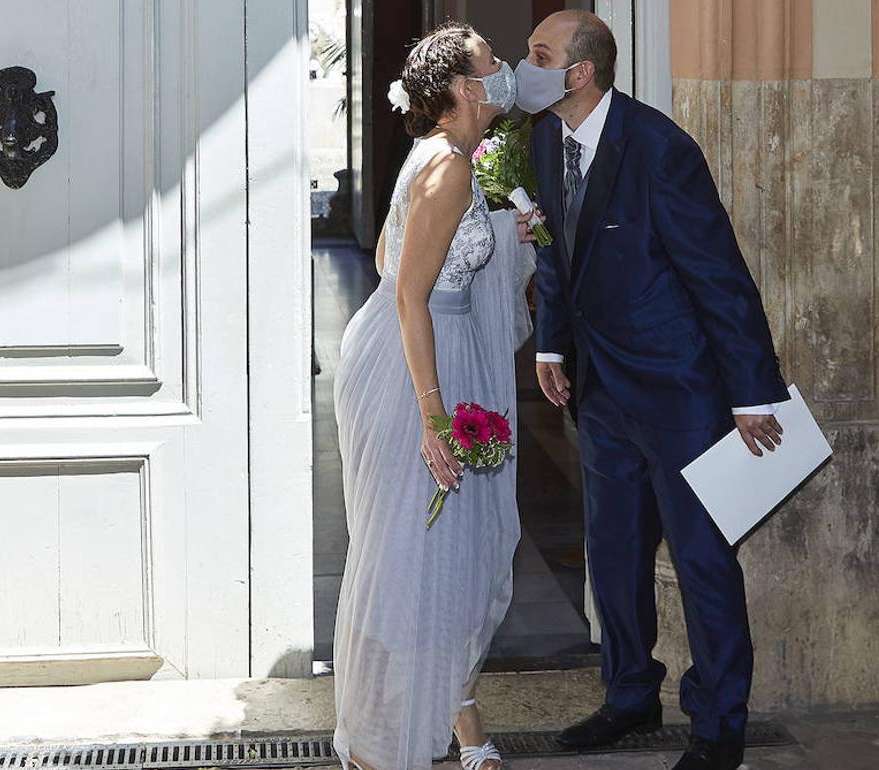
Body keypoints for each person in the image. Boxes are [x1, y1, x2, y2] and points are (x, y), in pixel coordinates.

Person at [523, 11, 789, 770]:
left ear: (580, 72)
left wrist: (752, 393)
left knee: (703, 560)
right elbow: (555, 250)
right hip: (599, 391)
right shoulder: (546, 138)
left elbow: (718, 275)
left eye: (541, 55)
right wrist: (550, 342)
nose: (526, 65)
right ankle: (630, 695)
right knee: (613, 555)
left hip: (681, 394)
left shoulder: (660, 148)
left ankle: (719, 726)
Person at [331, 22, 536, 770]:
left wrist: (504, 235)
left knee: (427, 557)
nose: (506, 69)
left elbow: (390, 254)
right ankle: (380, 751)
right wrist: (433, 415)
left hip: (409, 358)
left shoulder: (445, 157)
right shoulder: (448, 168)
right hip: (417, 372)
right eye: (492, 62)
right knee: (415, 565)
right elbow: (411, 293)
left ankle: (457, 728)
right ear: (461, 88)